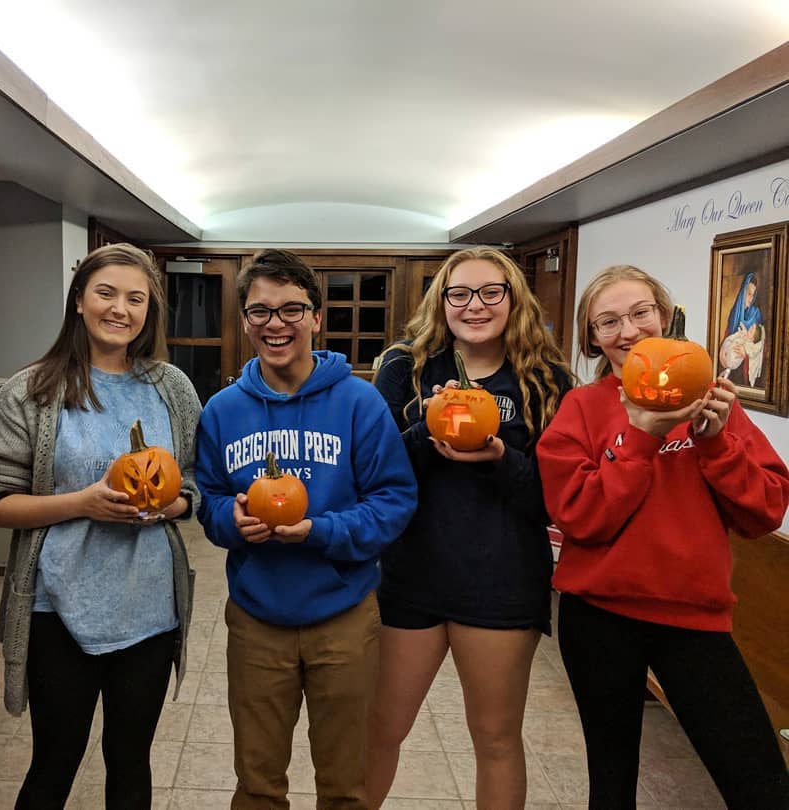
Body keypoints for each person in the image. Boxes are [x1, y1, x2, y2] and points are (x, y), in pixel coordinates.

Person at [537, 264, 789, 810]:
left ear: (666, 318)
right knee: (612, 781)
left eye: (639, 313)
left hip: (693, 618)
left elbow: (765, 512)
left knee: (760, 782)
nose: (627, 331)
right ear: (592, 338)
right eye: (608, 322)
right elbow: (581, 518)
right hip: (598, 616)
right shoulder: (580, 408)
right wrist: (642, 439)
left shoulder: (715, 401)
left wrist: (718, 444)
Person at [0, 243, 200, 810]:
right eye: (106, 293)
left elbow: (191, 485)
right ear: (79, 301)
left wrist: (171, 506)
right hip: (57, 609)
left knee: (130, 762)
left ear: (149, 312)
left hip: (148, 609)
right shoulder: (30, 390)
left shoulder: (171, 388)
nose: (120, 308)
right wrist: (82, 504)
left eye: (135, 298)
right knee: (55, 760)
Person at [195, 248, 417, 809]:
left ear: (316, 317)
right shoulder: (222, 410)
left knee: (347, 783)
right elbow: (209, 499)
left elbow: (394, 500)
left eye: (291, 309)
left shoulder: (360, 403)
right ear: (244, 320)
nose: (276, 324)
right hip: (256, 618)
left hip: (344, 616)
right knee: (257, 781)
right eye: (260, 312)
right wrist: (232, 521)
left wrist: (319, 530)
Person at [367, 247, 572, 809]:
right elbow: (378, 475)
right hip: (411, 576)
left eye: (490, 292)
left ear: (513, 299)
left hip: (502, 582)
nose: (474, 305)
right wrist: (428, 433)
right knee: (379, 728)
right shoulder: (405, 368)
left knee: (497, 738)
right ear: (442, 301)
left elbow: (554, 502)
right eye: (459, 293)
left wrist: (502, 456)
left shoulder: (548, 380)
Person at [718, 271, 765, 387]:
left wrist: (746, 354)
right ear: (742, 292)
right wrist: (721, 354)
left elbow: (761, 345)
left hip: (744, 366)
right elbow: (727, 336)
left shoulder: (756, 314)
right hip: (730, 362)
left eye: (753, 295)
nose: (751, 298)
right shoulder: (735, 312)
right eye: (749, 294)